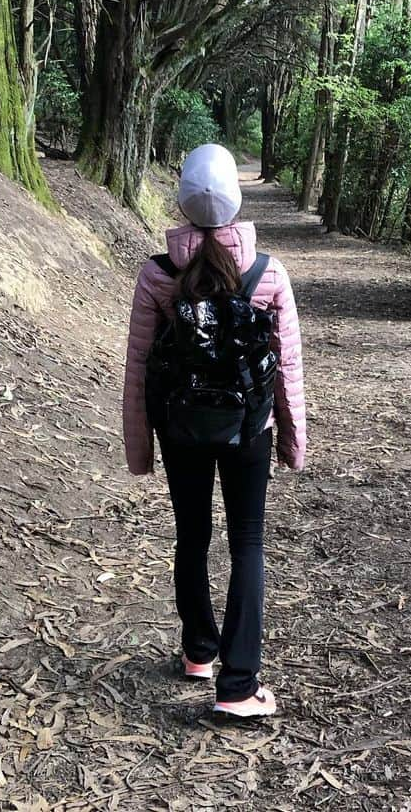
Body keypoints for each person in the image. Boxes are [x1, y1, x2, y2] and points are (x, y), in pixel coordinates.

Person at [123, 144, 306, 718]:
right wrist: (292, 440)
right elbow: (289, 364)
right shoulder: (267, 272)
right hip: (248, 427)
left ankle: (199, 652)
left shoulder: (157, 274)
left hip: (181, 428)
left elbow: (139, 363)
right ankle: (239, 685)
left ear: (180, 200)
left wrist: (139, 443)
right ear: (237, 200)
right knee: (247, 541)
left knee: (193, 534)